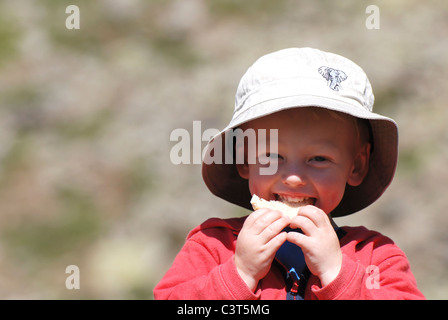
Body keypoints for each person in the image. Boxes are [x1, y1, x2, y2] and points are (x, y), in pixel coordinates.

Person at [154, 48, 425, 300]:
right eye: (272, 157)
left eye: (319, 159)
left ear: (356, 166)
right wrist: (240, 274)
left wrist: (338, 274)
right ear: (244, 159)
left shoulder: (377, 258)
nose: (293, 178)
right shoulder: (213, 246)